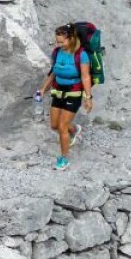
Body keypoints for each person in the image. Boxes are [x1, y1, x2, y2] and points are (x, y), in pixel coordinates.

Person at [37, 24, 94, 171]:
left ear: (72, 39)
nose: (59, 44)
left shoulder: (81, 55)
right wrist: (43, 88)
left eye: (62, 42)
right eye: (57, 41)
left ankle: (64, 159)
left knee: (62, 127)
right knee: (54, 125)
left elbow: (85, 76)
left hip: (73, 93)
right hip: (58, 92)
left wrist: (88, 97)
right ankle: (74, 130)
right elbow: (54, 72)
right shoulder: (57, 52)